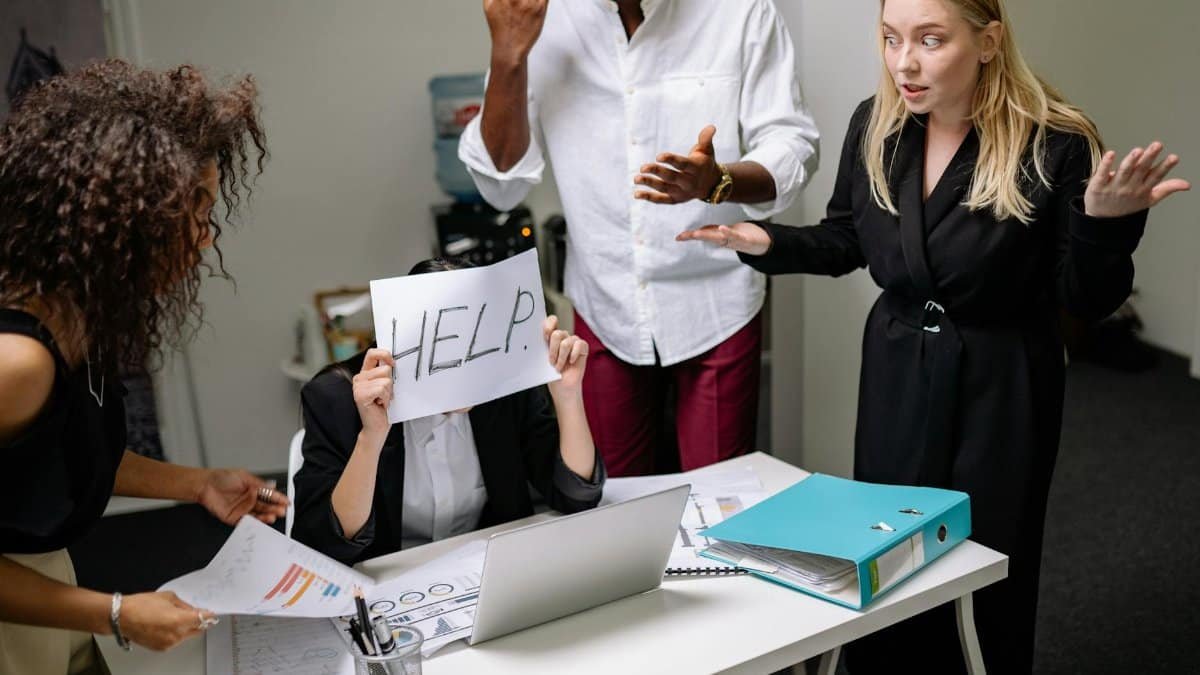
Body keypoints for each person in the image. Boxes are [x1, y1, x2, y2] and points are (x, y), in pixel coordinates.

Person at [675, 0, 1190, 672]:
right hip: (896, 370)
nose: (904, 61)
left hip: (1001, 383)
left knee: (984, 565)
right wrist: (764, 239)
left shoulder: (1054, 143)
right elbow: (846, 238)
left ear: (987, 41)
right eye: (891, 39)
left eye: (930, 39)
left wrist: (1106, 226)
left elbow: (1085, 299)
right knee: (884, 552)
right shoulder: (877, 125)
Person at [0, 61, 283, 673]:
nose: (206, 238)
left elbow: (56, 456)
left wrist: (196, 483)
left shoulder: (78, 316)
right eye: (198, 211)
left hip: (50, 597)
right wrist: (116, 613)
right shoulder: (17, 361)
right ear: (128, 219)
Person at [459, 0, 820, 476]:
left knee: (725, 502)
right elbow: (500, 185)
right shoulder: (544, 17)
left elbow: (792, 143)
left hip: (717, 303)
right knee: (612, 500)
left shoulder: (740, 10)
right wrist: (508, 55)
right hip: (604, 302)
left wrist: (720, 181)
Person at [292, 258, 604, 565]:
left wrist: (568, 397)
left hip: (486, 571)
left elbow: (578, 496)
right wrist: (371, 437)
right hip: (382, 578)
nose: (465, 361)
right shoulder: (336, 397)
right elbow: (323, 546)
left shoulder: (508, 386)